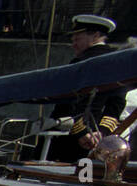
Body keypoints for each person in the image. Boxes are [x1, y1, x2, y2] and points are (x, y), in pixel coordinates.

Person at [49, 16, 125, 164]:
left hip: (68, 137)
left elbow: (69, 102)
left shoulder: (80, 63)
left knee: (51, 177)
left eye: (77, 38)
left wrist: (82, 132)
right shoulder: (118, 63)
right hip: (97, 141)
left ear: (95, 35)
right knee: (85, 179)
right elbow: (116, 104)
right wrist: (101, 133)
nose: (73, 44)